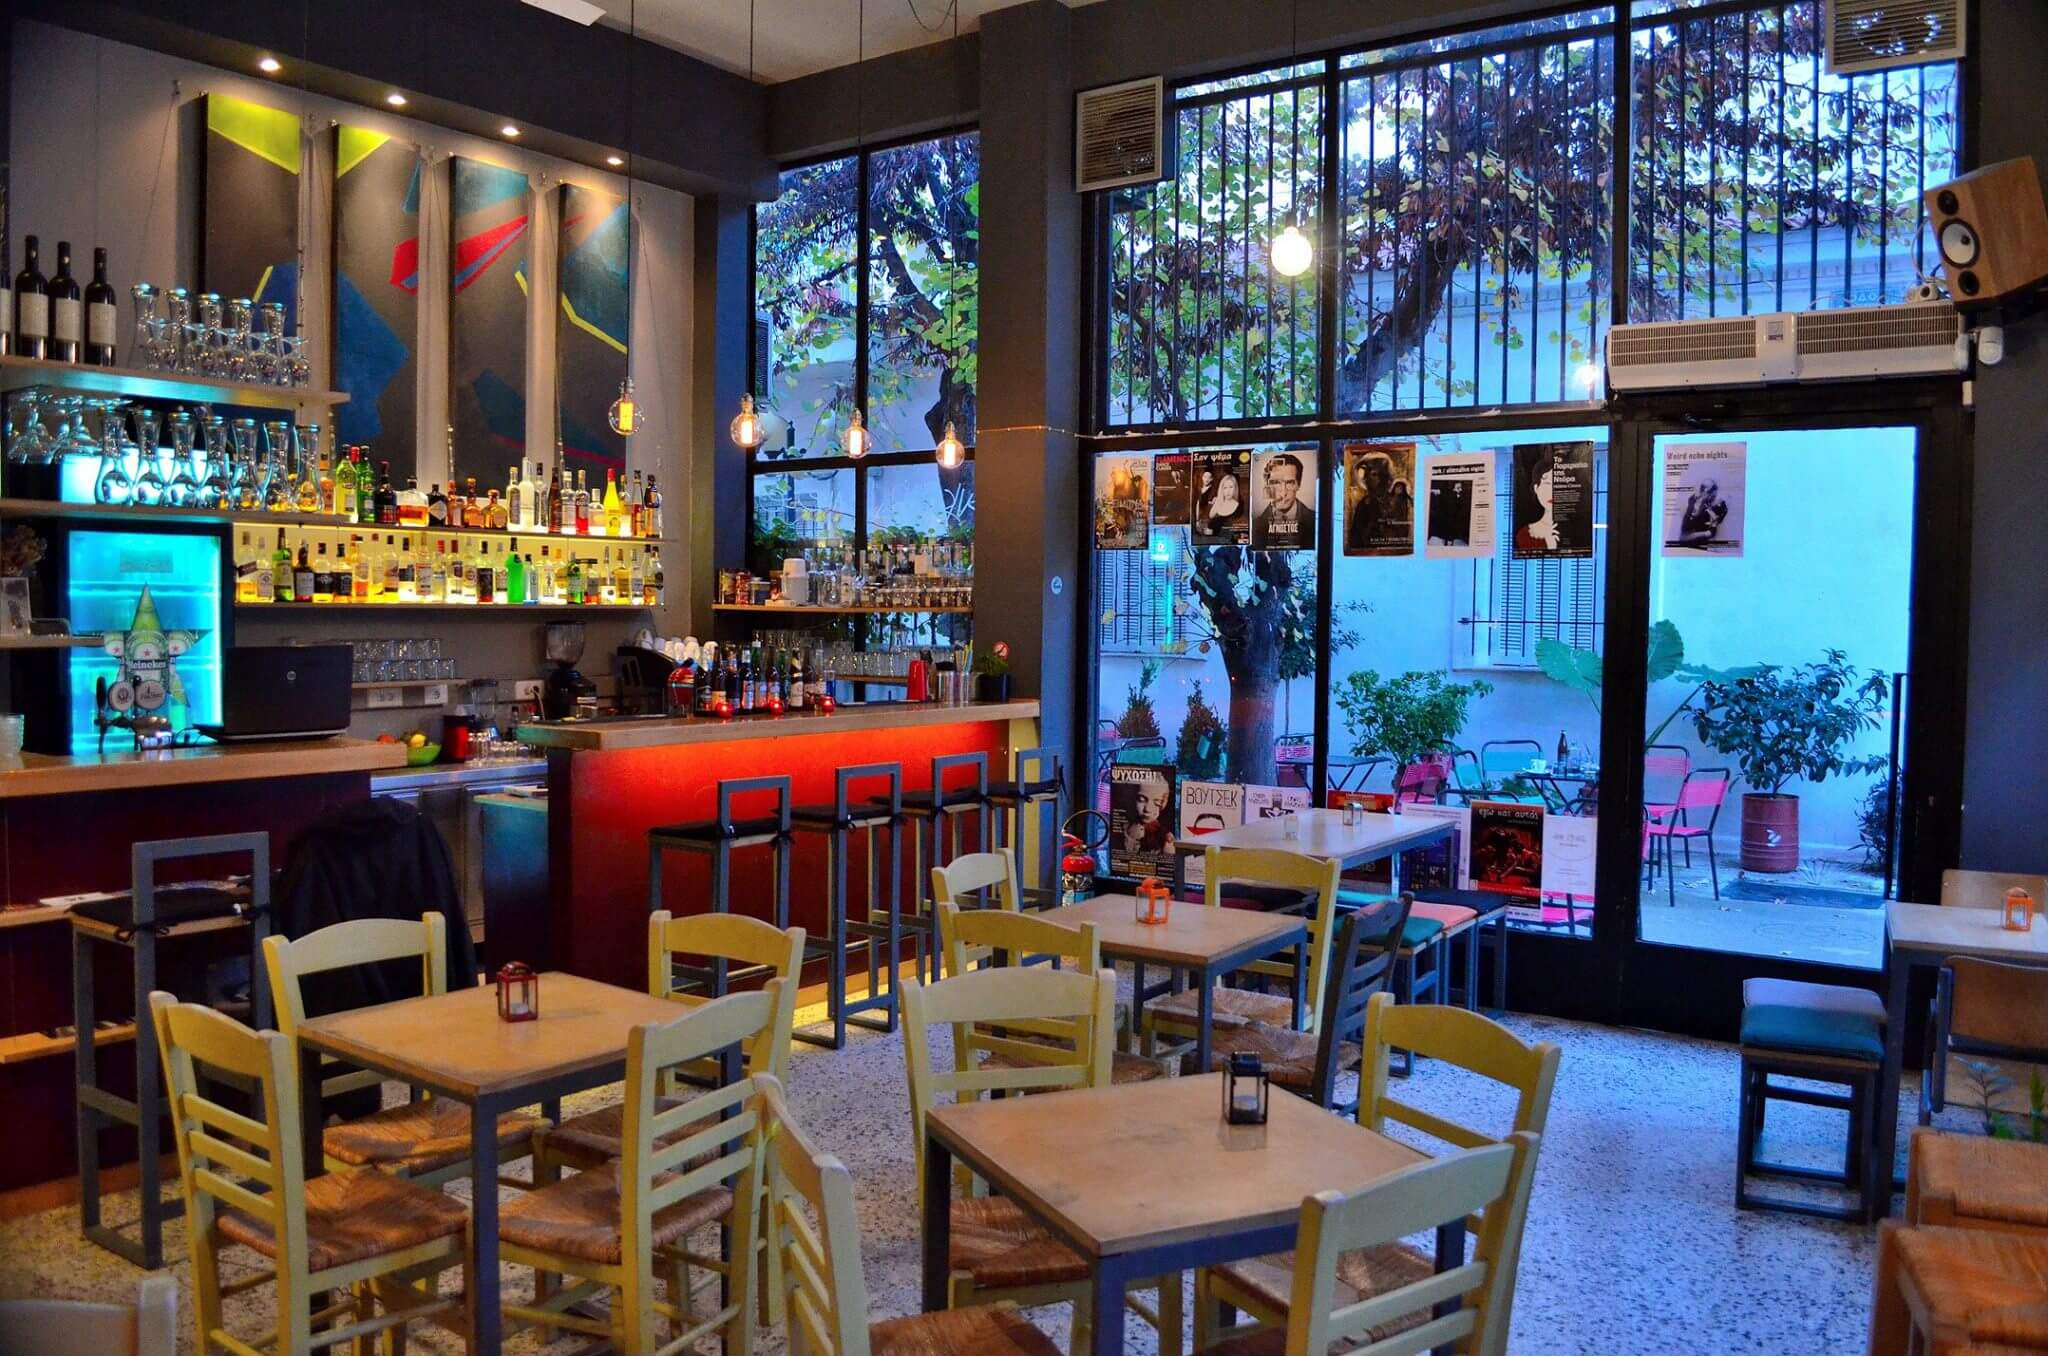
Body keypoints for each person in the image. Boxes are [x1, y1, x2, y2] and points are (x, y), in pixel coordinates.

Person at [1252, 452, 1315, 549]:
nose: (1283, 493)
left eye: (1289, 483)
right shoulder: (1255, 525)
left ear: (1298, 484)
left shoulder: (1313, 521)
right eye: (1276, 483)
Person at [1119, 768, 1174, 858]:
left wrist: (1168, 853)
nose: (1148, 809)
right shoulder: (1122, 830)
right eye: (1142, 800)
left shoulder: (1165, 836)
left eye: (1157, 803)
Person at [1515, 460, 1559, 554]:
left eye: (1557, 485)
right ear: (1536, 488)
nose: (1552, 492)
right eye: (1547, 484)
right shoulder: (1525, 534)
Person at [1678, 477, 1730, 545]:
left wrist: (1714, 522)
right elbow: (1683, 537)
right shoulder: (1693, 501)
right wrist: (1706, 533)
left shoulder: (1707, 507)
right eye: (1711, 494)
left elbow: (1715, 521)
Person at [1195, 470, 1243, 540]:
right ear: (1222, 489)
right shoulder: (1217, 502)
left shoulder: (1238, 507)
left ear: (1235, 488)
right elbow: (1208, 518)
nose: (1228, 491)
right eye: (1225, 488)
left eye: (1231, 487)